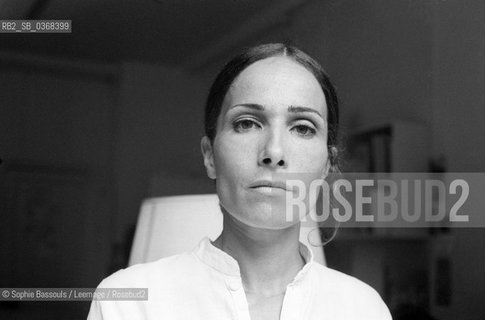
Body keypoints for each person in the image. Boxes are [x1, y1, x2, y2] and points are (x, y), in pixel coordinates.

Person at [87, 43, 392, 320]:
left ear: (327, 163)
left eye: (302, 127)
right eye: (246, 123)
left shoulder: (364, 309)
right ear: (209, 156)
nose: (273, 152)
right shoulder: (127, 304)